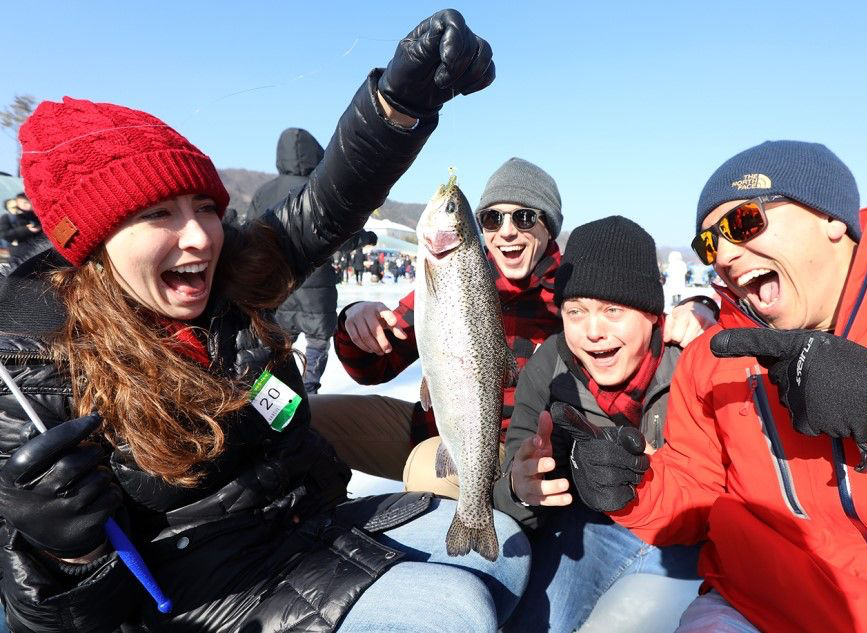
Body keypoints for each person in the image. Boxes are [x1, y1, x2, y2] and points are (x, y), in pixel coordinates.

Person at [0, 11, 530, 633]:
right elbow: (52, 620)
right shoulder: (31, 373)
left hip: (309, 529)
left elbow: (330, 202)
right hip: (211, 597)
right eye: (158, 215)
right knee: (456, 613)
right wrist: (61, 555)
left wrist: (398, 104)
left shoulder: (234, 278)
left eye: (205, 206)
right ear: (91, 241)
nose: (199, 235)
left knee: (507, 558)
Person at [565, 141, 867, 632]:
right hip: (758, 609)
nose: (726, 255)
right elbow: (698, 490)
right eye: (709, 244)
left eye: (743, 222)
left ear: (832, 218)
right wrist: (631, 487)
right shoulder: (713, 358)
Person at [313, 158, 716, 488]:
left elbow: (638, 325)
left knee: (427, 471)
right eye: (491, 219)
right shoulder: (454, 276)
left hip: (514, 452)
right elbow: (372, 368)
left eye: (523, 218)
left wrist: (698, 307)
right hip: (432, 426)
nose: (506, 232)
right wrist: (354, 321)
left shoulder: (574, 293)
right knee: (301, 415)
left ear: (549, 226)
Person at [495, 216, 704, 632]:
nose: (593, 331)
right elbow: (507, 492)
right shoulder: (550, 366)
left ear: (650, 314)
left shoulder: (691, 363)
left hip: (691, 538)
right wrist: (521, 489)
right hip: (588, 529)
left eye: (613, 310)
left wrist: (660, 474)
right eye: (576, 311)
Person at [243, 127, 377, 393]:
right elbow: (341, 236)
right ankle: (310, 390)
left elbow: (247, 238)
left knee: (278, 344)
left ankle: (280, 401)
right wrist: (366, 238)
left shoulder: (263, 193)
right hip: (316, 283)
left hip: (277, 286)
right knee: (317, 342)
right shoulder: (320, 191)